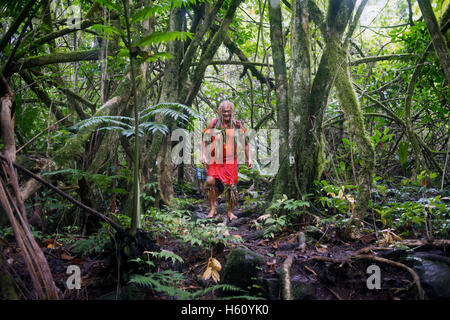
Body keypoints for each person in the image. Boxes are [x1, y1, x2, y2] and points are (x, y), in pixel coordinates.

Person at [201, 100, 252, 221]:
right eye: (224, 112)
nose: (227, 115)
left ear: (232, 112)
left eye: (229, 112)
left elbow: (246, 143)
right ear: (219, 111)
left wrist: (249, 158)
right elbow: (204, 139)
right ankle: (213, 208)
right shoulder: (213, 124)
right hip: (215, 158)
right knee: (209, 182)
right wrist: (203, 155)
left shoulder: (237, 125)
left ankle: (230, 212)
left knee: (231, 186)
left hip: (230, 159)